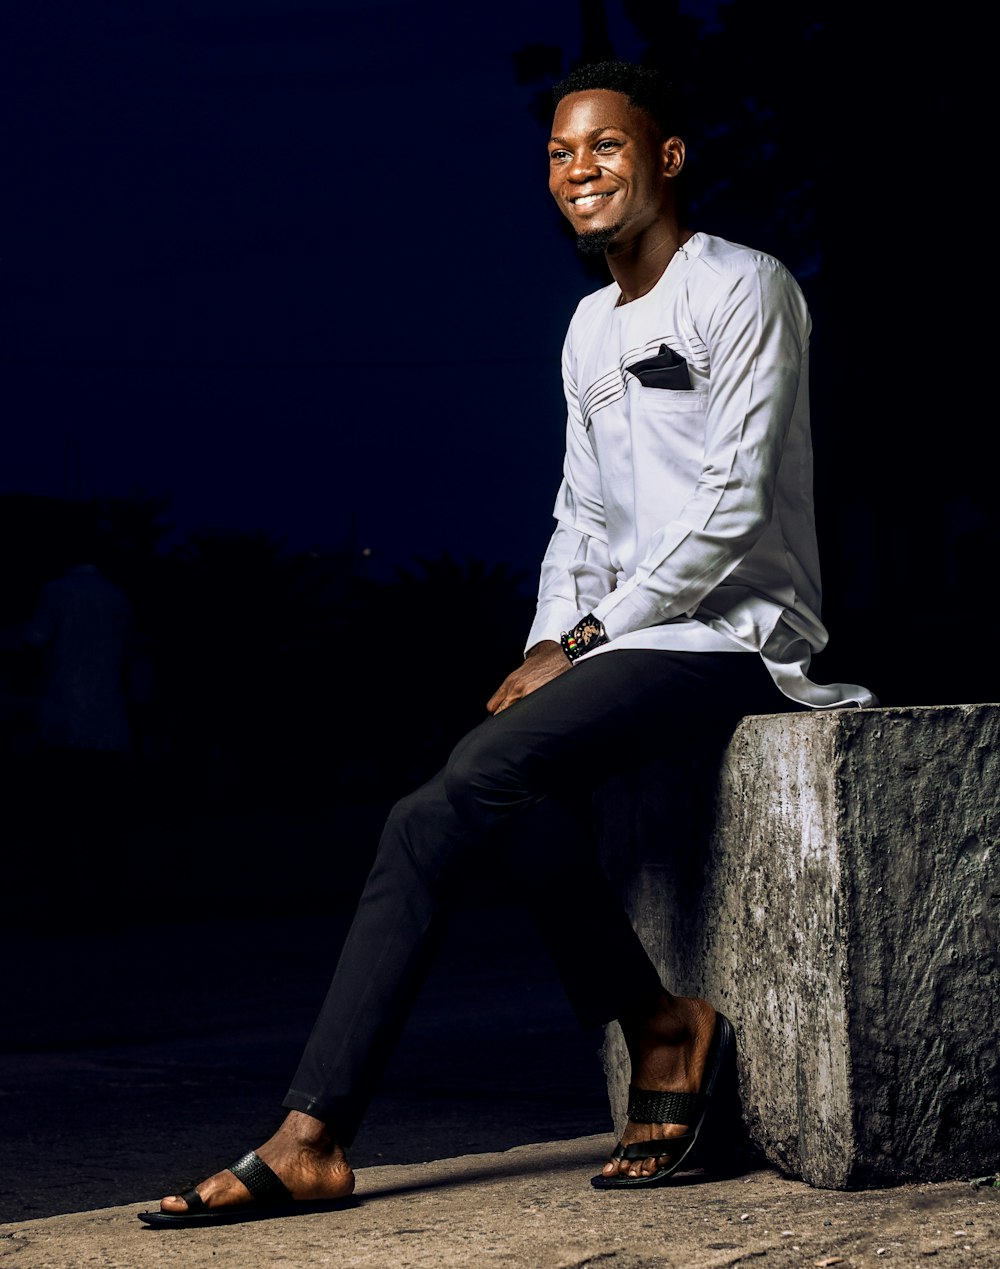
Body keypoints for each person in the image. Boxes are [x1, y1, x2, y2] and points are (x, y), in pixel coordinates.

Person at [139, 59, 875, 1227]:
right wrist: (547, 648)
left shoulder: (747, 288)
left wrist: (579, 643)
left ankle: (349, 1124)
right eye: (557, 154)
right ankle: (614, 1039)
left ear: (667, 158)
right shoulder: (587, 328)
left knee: (461, 791)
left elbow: (732, 517)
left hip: (733, 634)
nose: (577, 169)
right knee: (457, 799)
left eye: (605, 146)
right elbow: (576, 519)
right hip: (620, 644)